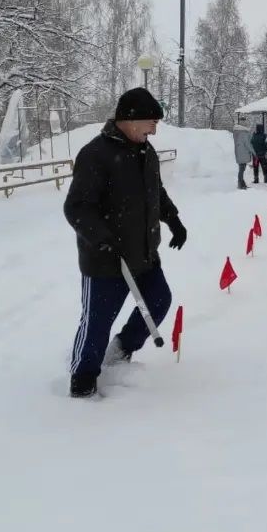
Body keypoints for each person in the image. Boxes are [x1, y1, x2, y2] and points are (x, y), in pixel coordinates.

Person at [63, 88, 187, 398]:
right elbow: (77, 207)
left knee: (159, 300)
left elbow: (155, 192)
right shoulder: (96, 154)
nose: (154, 129)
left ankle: (121, 349)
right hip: (106, 260)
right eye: (151, 123)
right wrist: (100, 238)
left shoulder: (146, 151)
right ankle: (83, 377)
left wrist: (173, 220)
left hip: (144, 254)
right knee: (97, 322)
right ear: (130, 120)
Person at [232, 121, 255, 190]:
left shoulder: (237, 133)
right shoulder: (243, 134)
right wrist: (254, 152)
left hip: (239, 153)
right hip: (243, 154)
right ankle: (240, 184)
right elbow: (248, 144)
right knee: (242, 169)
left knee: (241, 169)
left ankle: (242, 183)